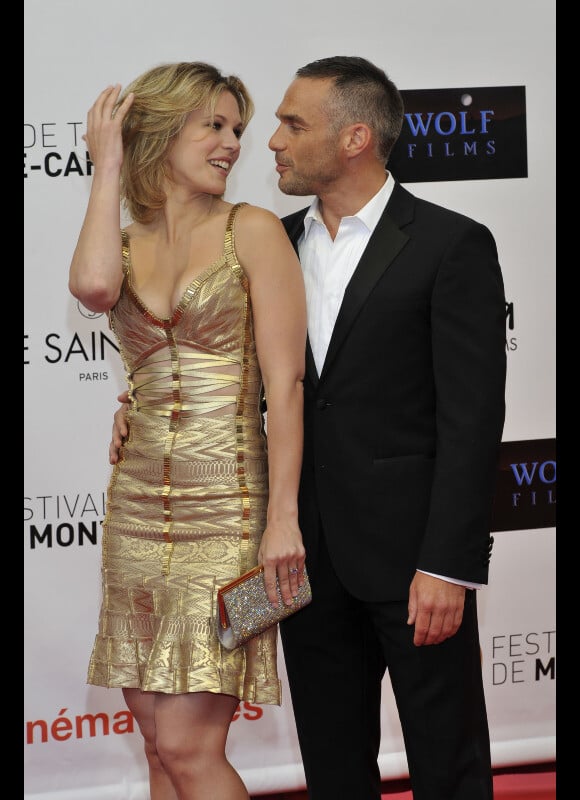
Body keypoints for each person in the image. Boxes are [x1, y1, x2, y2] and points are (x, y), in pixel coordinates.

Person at [109, 56, 507, 800]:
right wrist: (141, 407)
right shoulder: (267, 241)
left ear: (354, 137)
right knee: (330, 764)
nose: (271, 142)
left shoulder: (450, 245)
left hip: (413, 560)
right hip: (295, 559)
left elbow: (473, 420)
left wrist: (449, 564)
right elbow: (219, 369)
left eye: (293, 125)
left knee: (447, 762)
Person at [69, 61, 307, 800]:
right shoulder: (129, 241)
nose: (234, 143)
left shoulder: (254, 229)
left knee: (188, 742)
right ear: (162, 132)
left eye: (236, 127)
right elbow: (95, 288)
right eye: (215, 125)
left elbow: (286, 387)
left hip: (236, 515)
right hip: (137, 509)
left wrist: (282, 522)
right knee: (155, 740)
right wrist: (107, 167)